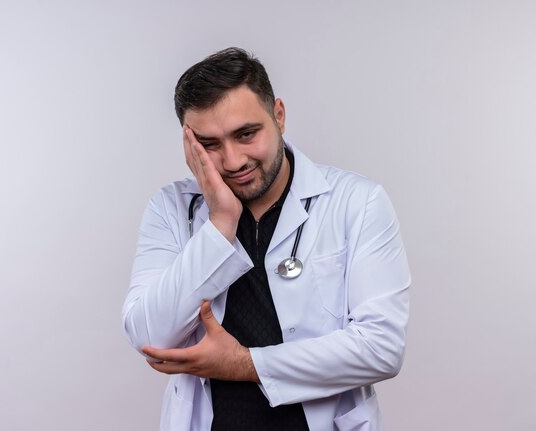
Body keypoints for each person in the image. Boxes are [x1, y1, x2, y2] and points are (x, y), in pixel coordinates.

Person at [122, 47, 411, 431]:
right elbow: (150, 335)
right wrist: (221, 224)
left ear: (279, 115)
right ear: (189, 144)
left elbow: (381, 349)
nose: (233, 161)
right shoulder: (172, 209)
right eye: (210, 145)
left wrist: (245, 363)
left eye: (246, 134)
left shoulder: (356, 202)